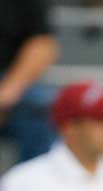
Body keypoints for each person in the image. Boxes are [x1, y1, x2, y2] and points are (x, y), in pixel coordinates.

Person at [0, 0, 60, 164]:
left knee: (39, 109)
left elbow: (43, 44)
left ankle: (32, 185)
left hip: (10, 82)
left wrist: (6, 95)